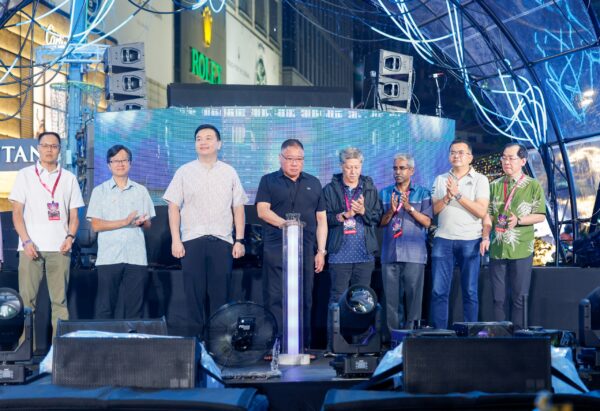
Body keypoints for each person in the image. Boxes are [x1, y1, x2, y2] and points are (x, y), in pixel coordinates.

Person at [164, 124, 248, 337]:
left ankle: (219, 344)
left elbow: (238, 207)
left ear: (219, 144)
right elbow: (173, 206)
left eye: (209, 138)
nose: (203, 142)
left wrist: (239, 240)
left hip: (222, 241)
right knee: (193, 297)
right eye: (199, 138)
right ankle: (196, 345)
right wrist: (176, 239)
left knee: (221, 297)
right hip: (192, 241)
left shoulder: (229, 172)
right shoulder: (184, 171)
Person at [9, 131, 84, 338]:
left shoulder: (69, 178)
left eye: (54, 146)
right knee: (26, 304)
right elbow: (17, 213)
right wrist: (26, 241)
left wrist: (70, 237)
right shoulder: (25, 175)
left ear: (59, 150)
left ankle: (60, 351)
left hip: (60, 248)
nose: (49, 149)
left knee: (60, 302)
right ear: (38, 149)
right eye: (45, 145)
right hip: (30, 247)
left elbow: (75, 216)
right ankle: (25, 349)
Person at [256, 139, 327, 348]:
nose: (295, 163)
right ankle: (276, 345)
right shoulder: (268, 181)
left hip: (305, 249)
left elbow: (321, 219)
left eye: (299, 159)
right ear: (280, 158)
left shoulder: (314, 182)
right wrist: (286, 225)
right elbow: (262, 211)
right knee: (275, 297)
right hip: (276, 248)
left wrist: (321, 251)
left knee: (304, 298)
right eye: (290, 159)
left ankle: (302, 346)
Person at [86, 145, 156, 319]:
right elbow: (96, 225)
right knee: (105, 308)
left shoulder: (141, 191)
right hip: (109, 257)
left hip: (136, 256)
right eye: (115, 161)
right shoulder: (99, 191)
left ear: (130, 163)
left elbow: (148, 224)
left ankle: (132, 338)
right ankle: (105, 338)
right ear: (109, 165)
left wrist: (142, 222)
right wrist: (125, 222)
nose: (120, 164)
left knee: (135, 310)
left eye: (124, 160)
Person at [481, 143, 546, 329]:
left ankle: (519, 336)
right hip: (497, 247)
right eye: (504, 157)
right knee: (498, 298)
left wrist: (519, 220)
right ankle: (500, 336)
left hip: (521, 247)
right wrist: (485, 237)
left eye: (511, 158)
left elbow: (540, 215)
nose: (506, 162)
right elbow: (488, 215)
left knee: (519, 297)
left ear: (523, 161)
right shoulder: (494, 185)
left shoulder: (532, 185)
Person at [323, 147, 382, 352]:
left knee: (363, 299)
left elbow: (377, 217)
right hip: (340, 254)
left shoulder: (369, 188)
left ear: (361, 166)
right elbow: (324, 218)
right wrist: (343, 215)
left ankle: (361, 345)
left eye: (356, 167)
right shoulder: (330, 189)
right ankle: (335, 345)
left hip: (364, 254)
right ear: (342, 166)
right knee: (337, 299)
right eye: (349, 167)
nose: (353, 172)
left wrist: (363, 211)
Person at [430, 139, 489, 329]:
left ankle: (470, 333)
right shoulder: (440, 179)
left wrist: (458, 195)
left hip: (470, 239)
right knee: (438, 291)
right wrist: (447, 196)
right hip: (443, 239)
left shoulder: (480, 179)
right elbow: (434, 210)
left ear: (470, 157)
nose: (456, 156)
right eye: (453, 152)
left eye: (461, 152)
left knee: (470, 291)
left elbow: (481, 211)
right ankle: (440, 333)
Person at [379, 153, 432, 331]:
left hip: (414, 255)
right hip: (390, 254)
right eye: (395, 168)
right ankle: (394, 340)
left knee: (414, 303)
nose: (398, 172)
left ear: (411, 170)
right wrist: (391, 211)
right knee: (391, 303)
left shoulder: (423, 193)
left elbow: (427, 222)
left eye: (402, 168)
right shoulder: (385, 193)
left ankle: (412, 339)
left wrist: (409, 208)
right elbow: (380, 222)